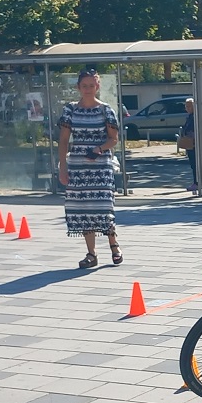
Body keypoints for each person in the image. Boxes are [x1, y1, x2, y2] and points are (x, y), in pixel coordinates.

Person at [58, 69, 123, 268]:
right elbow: (63, 140)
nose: (88, 89)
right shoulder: (70, 110)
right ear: (78, 87)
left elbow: (114, 139)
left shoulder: (105, 110)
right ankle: (91, 254)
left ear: (97, 86)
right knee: (83, 209)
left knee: (103, 207)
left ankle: (113, 244)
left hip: (100, 167)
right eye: (84, 86)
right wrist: (63, 167)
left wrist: (99, 149)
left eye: (91, 85)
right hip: (78, 166)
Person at [182, 98, 197, 192]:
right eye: (186, 106)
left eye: (189, 106)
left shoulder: (195, 117)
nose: (187, 108)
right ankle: (196, 182)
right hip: (189, 143)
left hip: (194, 144)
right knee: (192, 164)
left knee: (195, 164)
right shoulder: (189, 117)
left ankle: (197, 182)